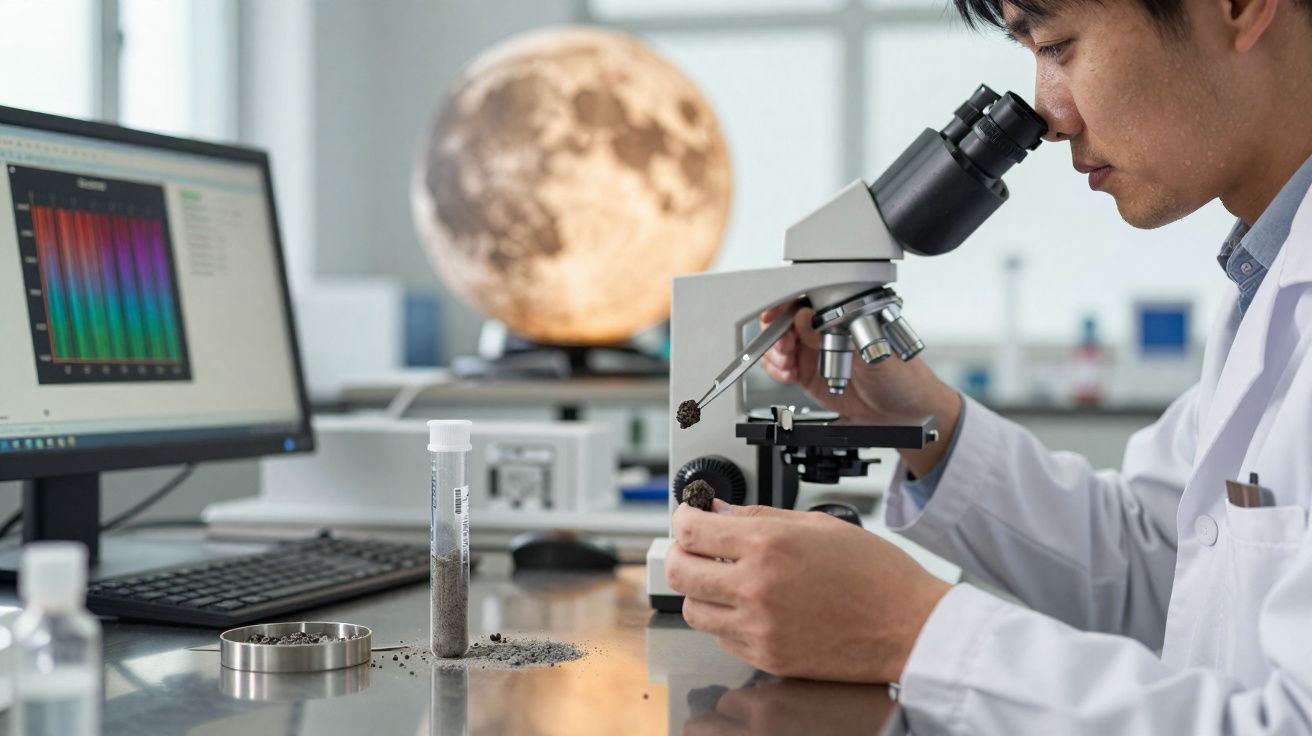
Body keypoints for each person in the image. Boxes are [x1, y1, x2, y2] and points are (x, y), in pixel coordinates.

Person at [662, 0, 1312, 730]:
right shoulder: (1268, 277)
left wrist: (909, 632)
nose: (1049, 112)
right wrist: (925, 423)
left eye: (1059, 45)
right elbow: (1160, 561)